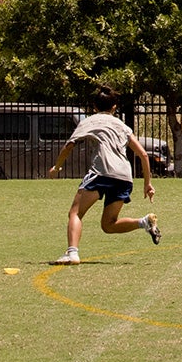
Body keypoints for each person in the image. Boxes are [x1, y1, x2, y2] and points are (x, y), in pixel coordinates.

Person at [48, 88, 160, 264]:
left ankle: (72, 253)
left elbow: (69, 145)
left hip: (102, 172)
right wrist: (147, 184)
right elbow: (143, 155)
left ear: (94, 106)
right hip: (124, 176)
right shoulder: (122, 126)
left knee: (75, 213)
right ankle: (144, 222)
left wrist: (57, 167)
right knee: (108, 225)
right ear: (114, 107)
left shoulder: (89, 121)